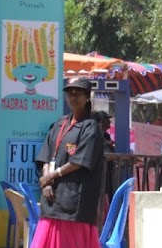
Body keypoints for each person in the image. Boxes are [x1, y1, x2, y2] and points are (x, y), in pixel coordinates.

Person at [29, 77, 105, 248]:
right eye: (70, 93)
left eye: (78, 93)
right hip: (52, 198)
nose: (73, 97)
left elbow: (79, 161)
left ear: (87, 97)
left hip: (75, 200)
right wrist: (46, 183)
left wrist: (53, 175)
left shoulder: (90, 127)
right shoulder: (59, 124)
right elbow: (46, 156)